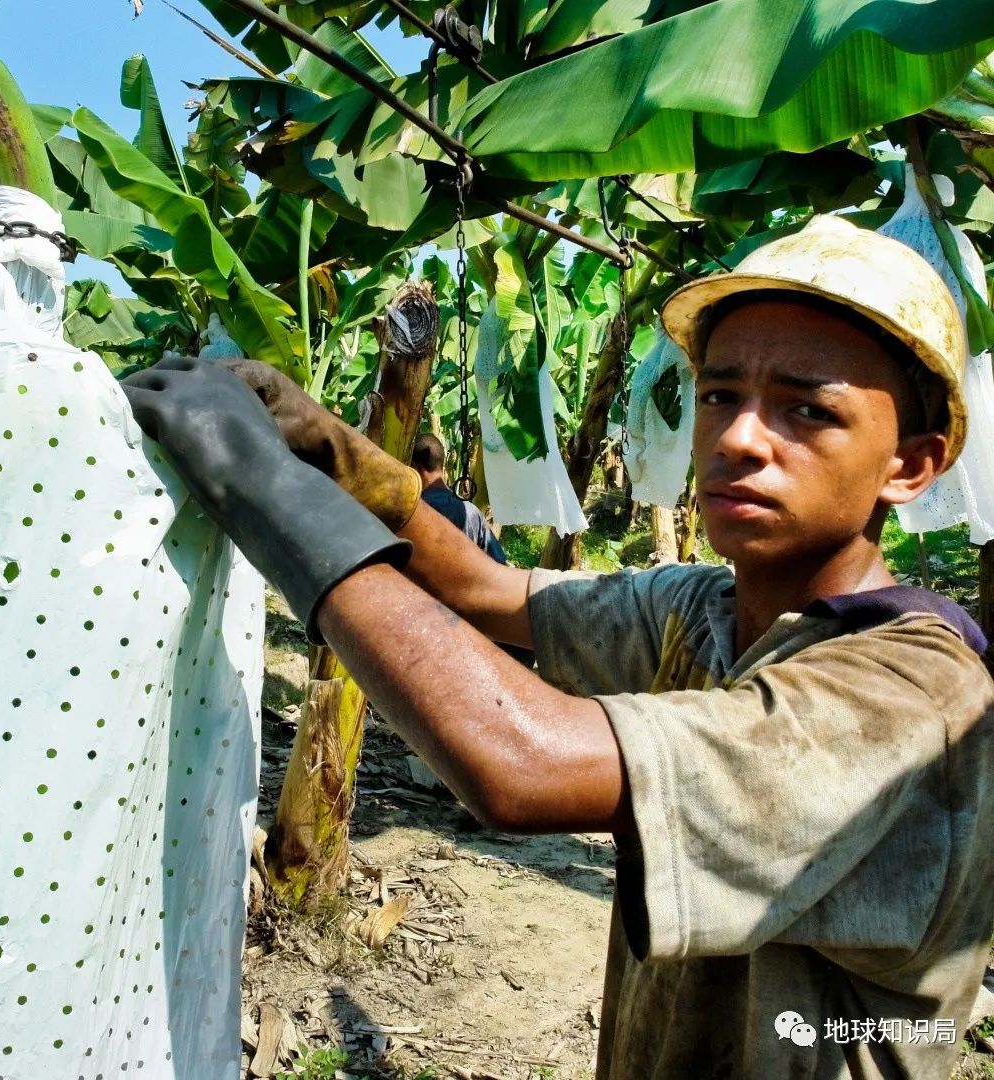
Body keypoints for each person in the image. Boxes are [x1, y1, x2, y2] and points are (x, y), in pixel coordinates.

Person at [122, 215, 994, 1080]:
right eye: (721, 395)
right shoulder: (700, 609)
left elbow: (520, 766)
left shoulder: (912, 696)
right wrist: (323, 448)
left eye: (807, 410)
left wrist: (265, 489)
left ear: (910, 466)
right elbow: (486, 588)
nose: (737, 440)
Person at [410, 433, 509, 564]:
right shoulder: (473, 513)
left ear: (414, 466)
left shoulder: (412, 510)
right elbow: (499, 562)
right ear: (441, 463)